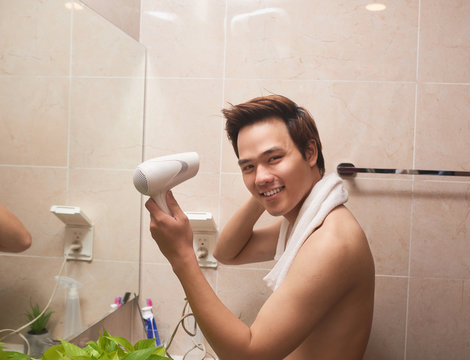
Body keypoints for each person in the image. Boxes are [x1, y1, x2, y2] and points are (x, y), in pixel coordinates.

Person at [145, 94, 375, 360]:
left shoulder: (330, 242)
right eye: (249, 166)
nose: (260, 175)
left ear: (310, 153)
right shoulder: (307, 223)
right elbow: (228, 253)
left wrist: (181, 256)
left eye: (274, 158)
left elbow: (249, 355)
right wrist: (267, 188)